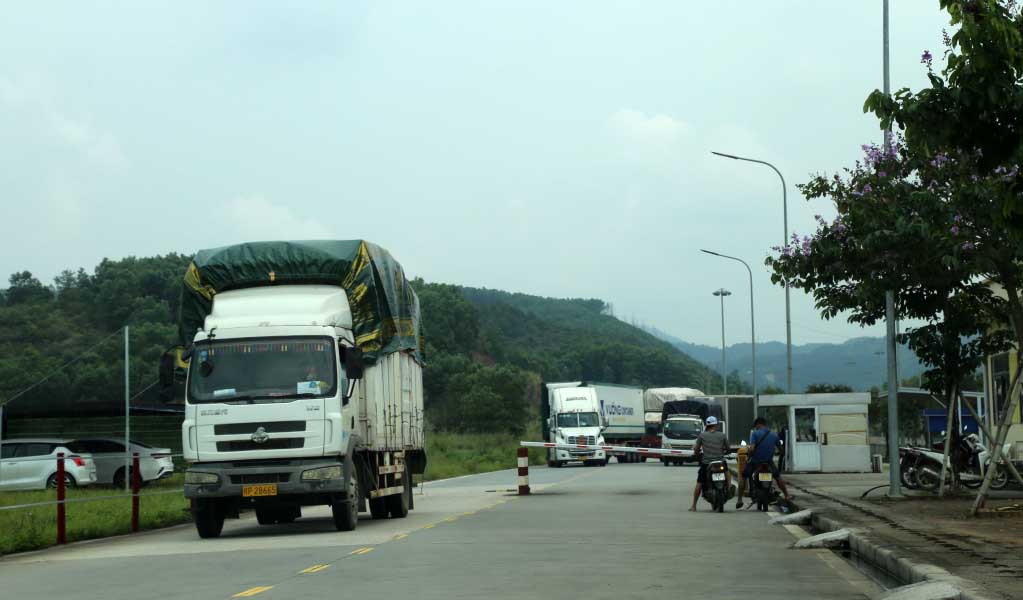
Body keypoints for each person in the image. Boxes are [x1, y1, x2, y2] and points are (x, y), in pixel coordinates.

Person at [736, 417, 790, 509]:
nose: (755, 428)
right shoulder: (774, 435)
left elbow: (752, 448)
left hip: (756, 462)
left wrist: (749, 454)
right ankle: (786, 495)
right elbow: (781, 450)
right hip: (768, 462)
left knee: (744, 476)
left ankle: (740, 499)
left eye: (756, 426)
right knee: (777, 477)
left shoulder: (755, 434)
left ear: (759, 424)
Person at [689, 416, 730, 512]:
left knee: (700, 482)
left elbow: (696, 450)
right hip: (720, 461)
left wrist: (697, 454)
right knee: (727, 472)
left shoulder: (702, 436)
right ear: (715, 424)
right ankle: (728, 487)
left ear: (707, 425)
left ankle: (694, 505)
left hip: (707, 463)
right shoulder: (722, 435)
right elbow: (728, 449)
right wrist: (724, 452)